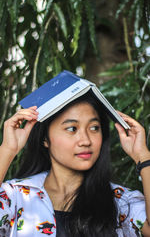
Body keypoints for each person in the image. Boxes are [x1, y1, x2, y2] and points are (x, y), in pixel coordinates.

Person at [0, 90, 150, 237]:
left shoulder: (121, 201)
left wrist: (143, 156)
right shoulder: (16, 196)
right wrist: (7, 149)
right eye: (72, 129)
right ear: (45, 138)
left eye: (94, 128)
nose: (86, 141)